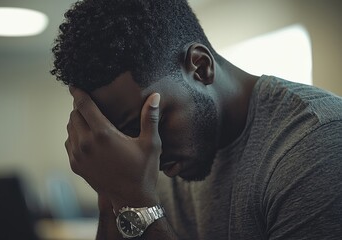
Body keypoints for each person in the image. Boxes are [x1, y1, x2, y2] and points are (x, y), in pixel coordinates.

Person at [50, 0, 342, 239]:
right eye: (126, 136)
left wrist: (137, 203)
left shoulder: (318, 142)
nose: (149, 148)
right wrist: (111, 192)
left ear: (200, 68)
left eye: (154, 122)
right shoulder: (151, 163)